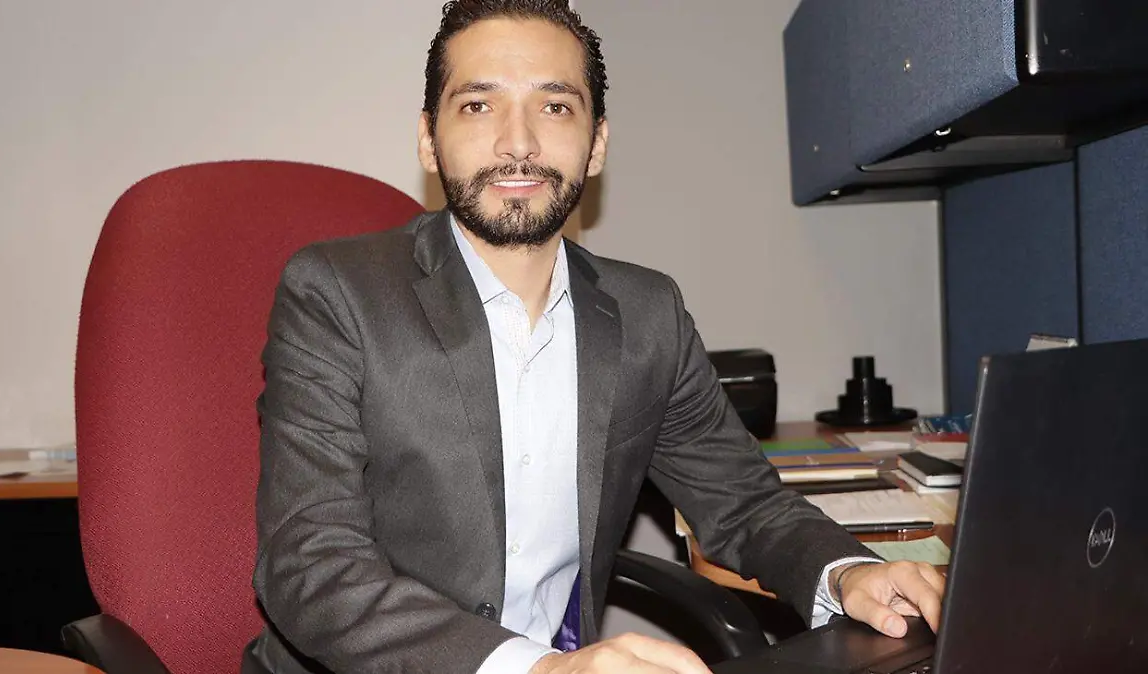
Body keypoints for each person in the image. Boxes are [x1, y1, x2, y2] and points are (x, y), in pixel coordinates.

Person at [242, 1, 944, 673]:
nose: (518, 142)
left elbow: (746, 503)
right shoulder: (337, 294)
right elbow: (310, 563)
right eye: (479, 105)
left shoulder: (647, 314)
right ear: (429, 137)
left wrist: (846, 572)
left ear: (597, 143)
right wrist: (538, 668)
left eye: (554, 107)